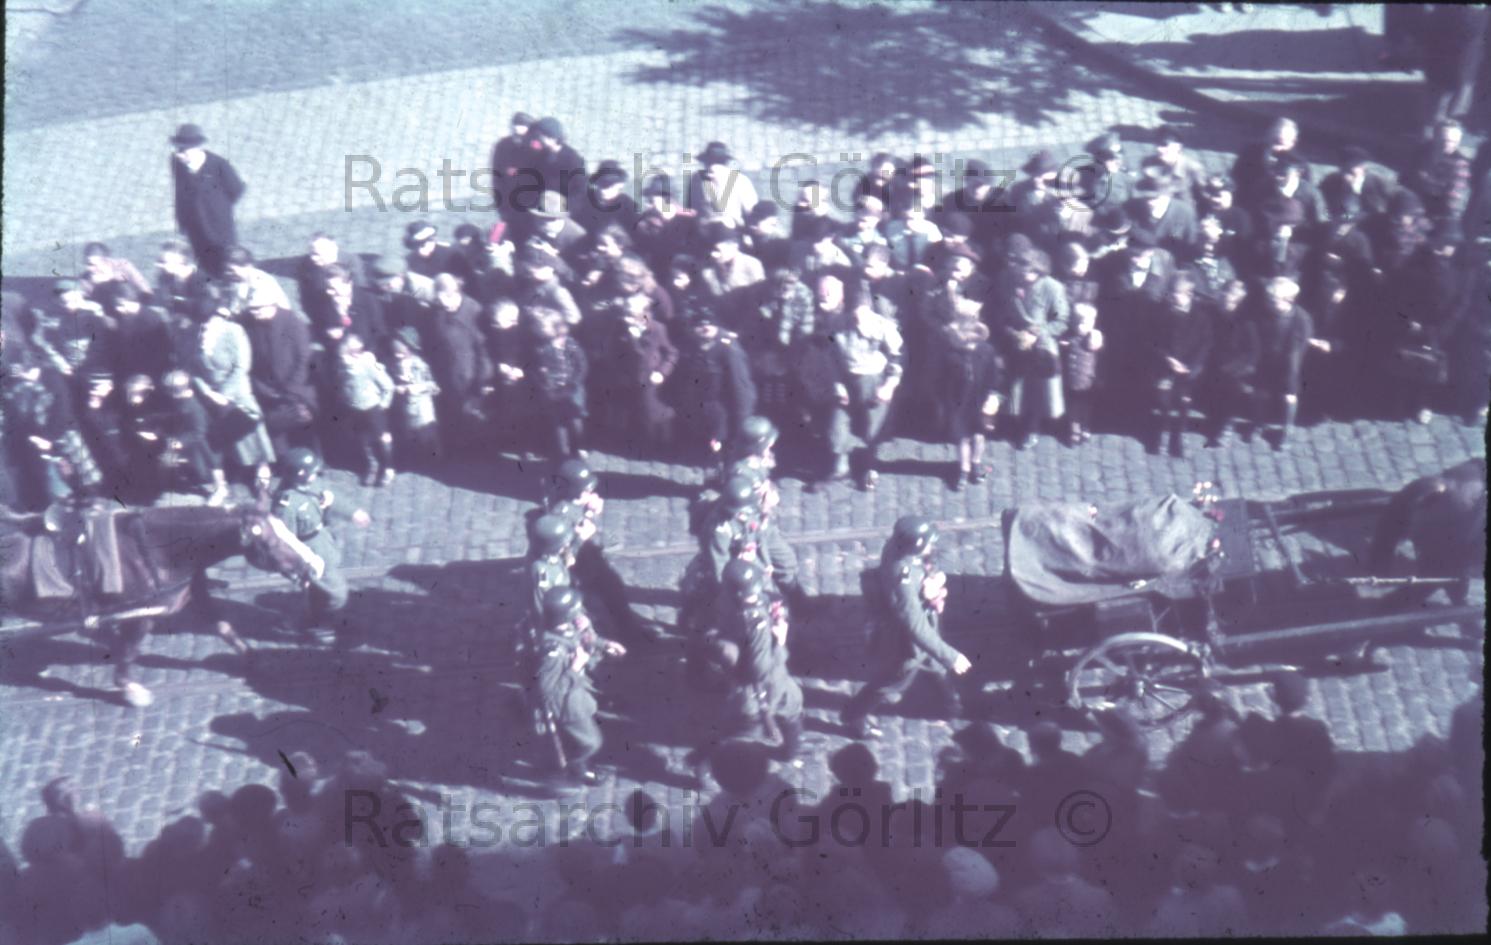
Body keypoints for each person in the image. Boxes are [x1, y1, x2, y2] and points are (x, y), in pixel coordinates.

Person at [840, 516, 972, 739]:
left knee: (935, 665)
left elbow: (921, 567)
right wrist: (951, 656)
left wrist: (931, 582)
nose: (931, 546)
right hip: (907, 644)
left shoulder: (898, 548)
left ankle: (950, 704)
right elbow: (914, 625)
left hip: (926, 630)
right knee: (891, 682)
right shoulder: (903, 578)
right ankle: (854, 717)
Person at [543, 458, 659, 647]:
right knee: (584, 613)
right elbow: (562, 556)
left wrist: (590, 512)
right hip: (576, 572)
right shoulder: (560, 514)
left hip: (590, 560)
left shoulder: (573, 502)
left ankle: (629, 631)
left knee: (614, 589)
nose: (590, 493)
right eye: (586, 490)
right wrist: (582, 536)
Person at [704, 558, 804, 766]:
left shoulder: (724, 601)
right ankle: (707, 763)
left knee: (744, 726)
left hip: (741, 680)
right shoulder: (754, 621)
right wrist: (780, 642)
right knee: (783, 713)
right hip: (764, 686)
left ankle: (789, 751)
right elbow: (760, 669)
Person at [273, 448, 370, 635]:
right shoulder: (286, 504)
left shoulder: (311, 483)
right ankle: (324, 626)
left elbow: (329, 494)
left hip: (323, 541)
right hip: (310, 553)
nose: (316, 474)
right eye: (311, 472)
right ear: (299, 475)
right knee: (337, 594)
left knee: (318, 592)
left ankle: (311, 618)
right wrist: (296, 572)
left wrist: (352, 512)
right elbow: (284, 541)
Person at [529, 587, 620, 786]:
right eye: (576, 611)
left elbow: (578, 639)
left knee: (586, 736)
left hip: (580, 692)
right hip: (567, 705)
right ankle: (577, 769)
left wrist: (603, 644)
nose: (581, 614)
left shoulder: (565, 628)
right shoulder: (553, 652)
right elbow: (547, 692)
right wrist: (575, 667)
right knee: (591, 743)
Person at [190, 287, 274, 490]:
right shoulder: (195, 335)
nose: (207, 325)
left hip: (237, 391)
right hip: (212, 395)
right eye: (204, 322)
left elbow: (242, 367)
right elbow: (193, 369)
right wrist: (208, 392)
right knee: (230, 438)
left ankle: (262, 469)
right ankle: (240, 469)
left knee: (252, 431)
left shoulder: (234, 332)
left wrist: (225, 395)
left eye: (212, 320)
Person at [827, 277, 903, 490]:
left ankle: (871, 468)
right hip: (846, 380)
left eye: (863, 313)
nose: (858, 320)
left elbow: (897, 359)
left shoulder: (884, 328)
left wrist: (889, 385)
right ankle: (841, 466)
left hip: (873, 380)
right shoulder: (837, 324)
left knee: (873, 429)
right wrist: (837, 385)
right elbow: (832, 357)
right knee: (837, 424)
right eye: (854, 314)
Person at [995, 246, 1070, 450]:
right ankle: (1013, 421)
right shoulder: (1007, 281)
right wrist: (1013, 333)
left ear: (1039, 271)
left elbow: (1061, 321)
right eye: (1019, 270)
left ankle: (1032, 428)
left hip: (1041, 347)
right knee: (1015, 389)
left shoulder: (1052, 288)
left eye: (1027, 272)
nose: (1022, 276)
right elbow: (1001, 312)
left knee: (1036, 391)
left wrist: (1038, 333)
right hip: (1014, 342)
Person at [673, 308, 757, 472]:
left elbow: (741, 388)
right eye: (699, 325)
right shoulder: (694, 345)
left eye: (710, 324)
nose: (705, 328)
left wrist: (741, 418)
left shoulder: (729, 350)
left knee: (725, 457)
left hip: (724, 415)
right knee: (708, 455)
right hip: (702, 413)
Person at [243, 293, 318, 457]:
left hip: (297, 389)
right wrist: (263, 388)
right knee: (275, 429)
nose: (254, 313)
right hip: (268, 391)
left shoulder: (293, 322)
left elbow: (303, 358)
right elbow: (251, 361)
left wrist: (291, 389)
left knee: (304, 428)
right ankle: (285, 462)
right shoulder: (251, 325)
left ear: (272, 305)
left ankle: (312, 459)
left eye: (257, 308)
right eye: (251, 309)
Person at [1146, 271, 1212, 457]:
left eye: (1175, 294)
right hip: (1165, 366)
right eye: (1170, 293)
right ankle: (1164, 428)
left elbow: (1205, 343)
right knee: (1164, 397)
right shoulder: (1162, 314)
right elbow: (1153, 341)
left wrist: (1191, 366)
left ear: (1189, 294)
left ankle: (1180, 432)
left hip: (1189, 369)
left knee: (1184, 400)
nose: (1171, 298)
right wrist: (1167, 359)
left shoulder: (1201, 317)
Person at [935, 313, 1001, 490]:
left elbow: (994, 375)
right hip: (958, 403)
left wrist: (994, 395)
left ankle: (976, 462)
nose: (969, 345)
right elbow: (940, 380)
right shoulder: (950, 355)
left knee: (979, 436)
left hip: (980, 401)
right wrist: (942, 403)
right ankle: (964, 468)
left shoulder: (987, 351)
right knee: (962, 438)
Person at [169, 124, 245, 277]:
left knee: (226, 264)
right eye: (178, 149)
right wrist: (182, 221)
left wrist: (219, 207)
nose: (179, 154)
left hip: (219, 228)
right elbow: (179, 192)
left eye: (183, 150)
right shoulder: (177, 164)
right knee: (204, 265)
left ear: (198, 148)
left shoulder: (218, 165)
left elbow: (236, 188)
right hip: (195, 228)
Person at [1254, 276, 1315, 450]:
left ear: (1289, 300)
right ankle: (1259, 422)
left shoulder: (1301, 318)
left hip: (1290, 364)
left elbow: (1301, 344)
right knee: (1260, 392)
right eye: (1268, 300)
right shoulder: (1266, 313)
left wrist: (1292, 363)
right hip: (1267, 359)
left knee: (1289, 396)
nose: (1269, 304)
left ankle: (1288, 428)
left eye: (1273, 301)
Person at [332, 333, 397, 487]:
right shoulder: (341, 366)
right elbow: (341, 384)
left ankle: (388, 467)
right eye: (341, 357)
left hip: (372, 408)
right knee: (363, 439)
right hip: (354, 409)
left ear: (356, 354)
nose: (343, 361)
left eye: (346, 356)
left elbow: (388, 385)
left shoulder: (367, 365)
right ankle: (372, 465)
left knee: (382, 438)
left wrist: (383, 405)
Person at [527, 307, 588, 460]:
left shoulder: (569, 343)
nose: (536, 329)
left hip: (573, 389)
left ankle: (578, 447)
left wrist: (575, 382)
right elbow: (534, 368)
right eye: (536, 326)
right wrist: (544, 385)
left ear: (556, 326)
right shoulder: (538, 347)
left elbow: (581, 364)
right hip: (552, 390)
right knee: (558, 422)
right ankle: (562, 451)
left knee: (575, 419)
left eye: (541, 326)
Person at [387, 337, 441, 469]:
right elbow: (389, 382)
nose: (397, 356)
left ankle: (436, 458)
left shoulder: (420, 365)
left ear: (409, 350)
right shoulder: (393, 365)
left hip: (422, 404)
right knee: (410, 432)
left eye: (400, 352)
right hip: (406, 404)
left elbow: (433, 385)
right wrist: (396, 387)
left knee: (427, 433)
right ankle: (418, 458)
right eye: (395, 353)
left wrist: (412, 388)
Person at [687, 141, 760, 230]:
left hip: (712, 231)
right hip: (728, 230)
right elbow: (752, 212)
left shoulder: (697, 178)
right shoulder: (741, 179)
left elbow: (693, 210)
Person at [1059, 302, 1102, 445]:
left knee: (1085, 406)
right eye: (1077, 323)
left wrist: (1093, 335)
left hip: (1086, 381)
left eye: (1085, 323)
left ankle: (1085, 426)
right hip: (1071, 380)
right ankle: (1074, 430)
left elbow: (1096, 344)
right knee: (1073, 407)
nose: (1080, 327)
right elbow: (1062, 343)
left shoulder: (1092, 337)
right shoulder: (1069, 336)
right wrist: (1063, 343)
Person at [490, 111, 537, 223]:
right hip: (507, 194)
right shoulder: (502, 145)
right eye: (516, 124)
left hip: (528, 196)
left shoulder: (535, 147)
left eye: (523, 125)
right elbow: (497, 173)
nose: (517, 128)